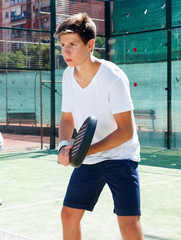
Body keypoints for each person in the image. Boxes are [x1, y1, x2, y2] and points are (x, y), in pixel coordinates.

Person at [55, 13, 144, 239]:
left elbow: (126, 131)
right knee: (68, 215)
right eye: (63, 45)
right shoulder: (67, 75)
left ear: (90, 44)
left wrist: (81, 152)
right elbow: (67, 119)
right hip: (89, 158)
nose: (66, 51)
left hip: (121, 157)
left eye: (73, 45)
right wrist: (64, 146)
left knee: (129, 225)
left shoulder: (113, 77)